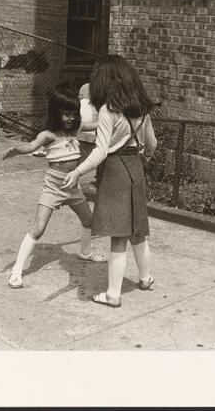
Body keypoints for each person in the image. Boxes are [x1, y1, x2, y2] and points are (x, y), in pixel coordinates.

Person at [61, 55, 157, 308]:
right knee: (137, 230)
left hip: (115, 172)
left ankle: (113, 294)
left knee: (118, 235)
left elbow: (101, 151)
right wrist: (144, 157)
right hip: (135, 168)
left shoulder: (108, 110)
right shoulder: (142, 109)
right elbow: (152, 144)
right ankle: (145, 278)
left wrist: (78, 171)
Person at [2, 85, 105, 290]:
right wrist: (17, 150)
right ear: (56, 113)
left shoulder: (76, 128)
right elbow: (31, 146)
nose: (70, 118)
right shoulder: (48, 135)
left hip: (72, 187)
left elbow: (100, 123)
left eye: (74, 114)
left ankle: (85, 253)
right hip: (53, 187)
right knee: (39, 228)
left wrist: (118, 114)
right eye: (66, 114)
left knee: (89, 221)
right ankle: (17, 270)